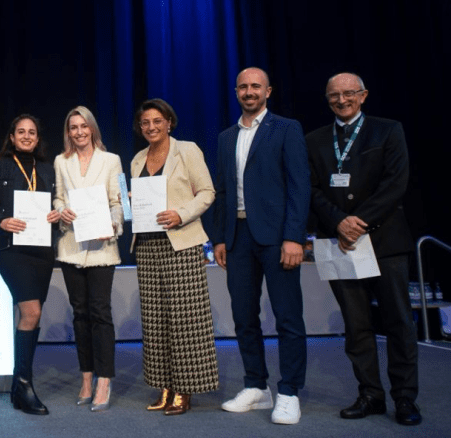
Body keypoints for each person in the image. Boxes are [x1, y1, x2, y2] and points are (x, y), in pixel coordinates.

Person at [306, 73, 420, 425]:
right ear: (327, 100)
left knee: (399, 322)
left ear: (364, 95)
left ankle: (404, 399)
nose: (342, 100)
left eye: (349, 93)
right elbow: (311, 189)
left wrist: (359, 222)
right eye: (334, 96)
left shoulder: (388, 130)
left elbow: (396, 183)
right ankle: (370, 394)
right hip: (337, 242)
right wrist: (341, 222)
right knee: (356, 327)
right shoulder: (314, 140)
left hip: (385, 242)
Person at [212, 67, 310, 425]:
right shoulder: (225, 137)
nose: (249, 91)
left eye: (255, 86)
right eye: (243, 87)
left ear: (268, 91)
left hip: (277, 238)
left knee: (288, 317)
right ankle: (256, 386)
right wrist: (220, 237)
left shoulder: (286, 128)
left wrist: (294, 237)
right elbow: (222, 190)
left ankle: (289, 392)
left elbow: (300, 186)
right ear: (236, 91)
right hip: (237, 239)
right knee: (243, 317)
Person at [128, 99, 218, 415]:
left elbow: (207, 192)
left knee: (185, 321)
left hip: (181, 244)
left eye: (157, 121)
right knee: (155, 322)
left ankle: (184, 389)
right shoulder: (138, 159)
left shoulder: (187, 150)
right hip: (148, 246)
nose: (151, 127)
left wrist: (181, 214)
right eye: (145, 123)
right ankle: (165, 386)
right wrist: (131, 203)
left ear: (169, 121)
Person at [0, 114, 60, 415]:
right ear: (12, 137)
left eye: (32, 132)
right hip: (12, 249)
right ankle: (24, 384)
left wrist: (57, 214)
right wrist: (1, 220)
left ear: (38, 138)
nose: (27, 136)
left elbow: (60, 205)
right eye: (21, 132)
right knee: (32, 311)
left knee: (31, 316)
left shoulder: (48, 169)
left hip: (42, 250)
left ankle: (19, 385)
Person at [53, 106, 124, 412]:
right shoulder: (61, 161)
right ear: (68, 132)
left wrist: (114, 224)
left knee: (100, 313)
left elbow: (117, 201)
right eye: (73, 128)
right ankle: (86, 378)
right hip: (71, 245)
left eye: (84, 126)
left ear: (93, 128)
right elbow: (58, 197)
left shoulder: (112, 160)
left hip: (101, 248)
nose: (79, 132)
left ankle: (105, 379)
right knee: (80, 314)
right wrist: (61, 211)